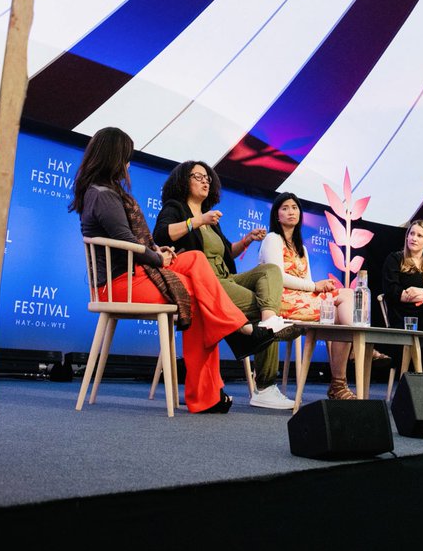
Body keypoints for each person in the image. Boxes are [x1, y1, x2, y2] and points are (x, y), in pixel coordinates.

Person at [70, 127, 276, 414]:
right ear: (114, 157)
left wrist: (159, 252)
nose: (128, 164)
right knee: (198, 294)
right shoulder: (103, 195)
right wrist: (158, 256)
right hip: (120, 282)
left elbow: (140, 243)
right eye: (126, 157)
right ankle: (212, 383)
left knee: (194, 260)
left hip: (139, 272)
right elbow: (128, 242)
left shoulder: (108, 192)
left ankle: (232, 346)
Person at [154, 161, 301, 410]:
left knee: (271, 271)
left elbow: (226, 254)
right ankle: (265, 386)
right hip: (203, 283)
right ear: (183, 180)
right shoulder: (176, 207)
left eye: (208, 178)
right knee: (261, 310)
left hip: (224, 277)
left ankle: (268, 319)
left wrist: (245, 241)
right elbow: (160, 235)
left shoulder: (212, 218)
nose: (205, 181)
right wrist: (197, 221)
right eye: (198, 176)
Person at [259, 192, 357, 400]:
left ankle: (339, 383)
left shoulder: (301, 248)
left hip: (303, 300)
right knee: (342, 311)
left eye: (294, 207)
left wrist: (322, 288)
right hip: (279, 301)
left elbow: (308, 284)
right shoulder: (272, 239)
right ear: (277, 215)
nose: (290, 212)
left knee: (346, 299)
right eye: (284, 208)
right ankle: (354, 352)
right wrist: (315, 286)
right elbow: (277, 278)